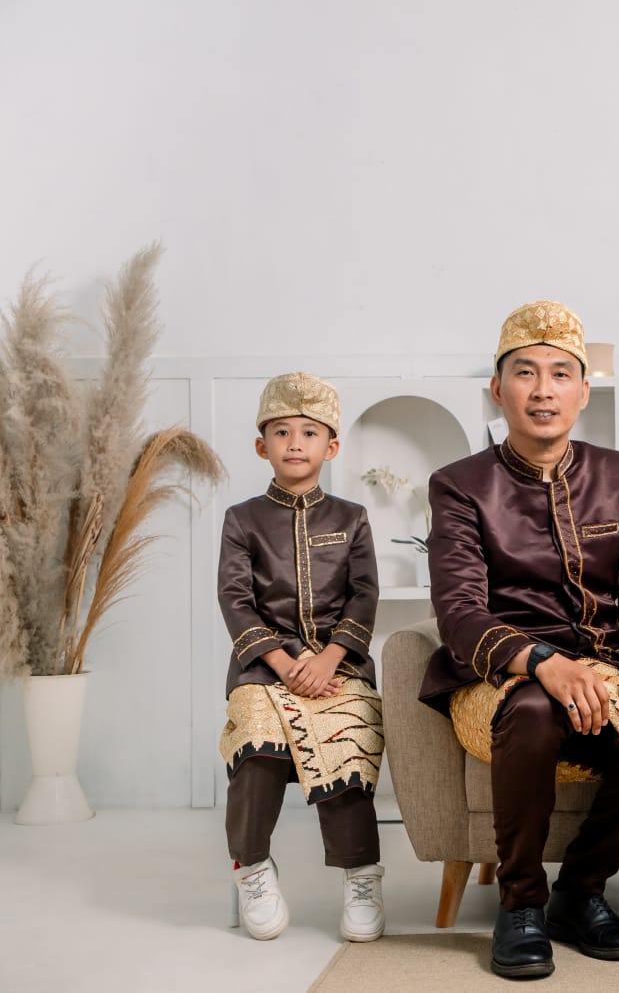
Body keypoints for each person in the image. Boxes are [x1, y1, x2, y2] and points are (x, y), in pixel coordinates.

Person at [419, 300, 619, 980]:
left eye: (559, 374)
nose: (543, 390)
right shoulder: (459, 485)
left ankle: (580, 890)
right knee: (534, 706)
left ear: (583, 391)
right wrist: (542, 662)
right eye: (525, 373)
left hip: (598, 673)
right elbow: (459, 611)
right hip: (498, 680)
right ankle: (521, 904)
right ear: (497, 388)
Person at [217, 372, 385, 943]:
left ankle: (361, 876)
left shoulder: (351, 517)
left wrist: (330, 658)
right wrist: (286, 665)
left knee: (347, 734)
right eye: (281, 432)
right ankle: (252, 868)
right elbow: (235, 600)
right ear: (260, 445)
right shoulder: (242, 520)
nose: (295, 443)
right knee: (258, 743)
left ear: (330, 447)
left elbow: (364, 594)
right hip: (262, 670)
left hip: (341, 668)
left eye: (309, 433)